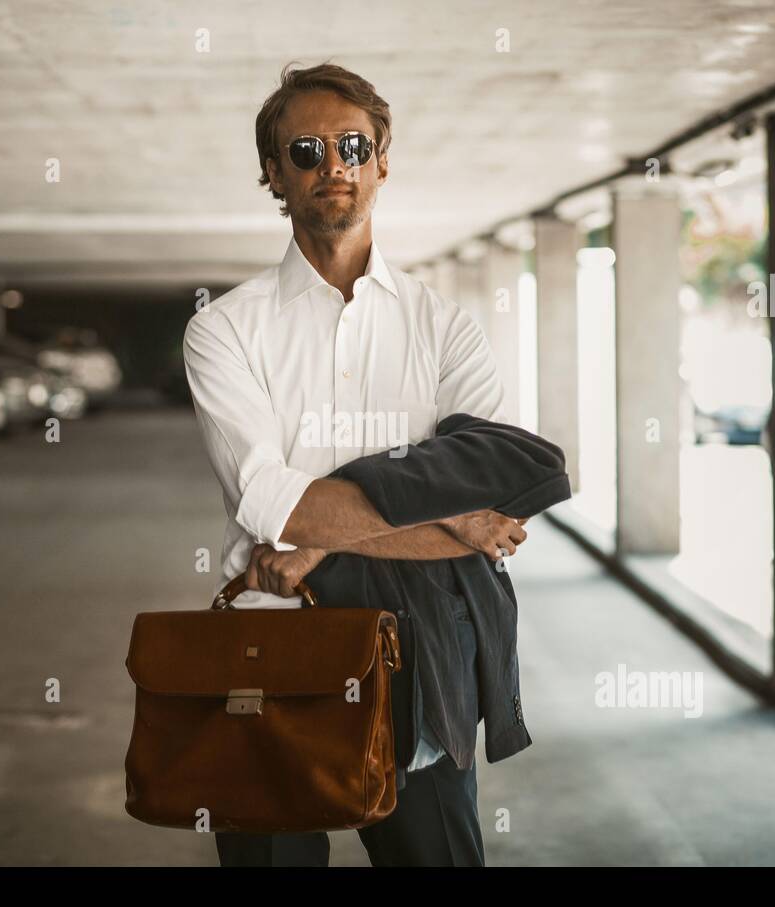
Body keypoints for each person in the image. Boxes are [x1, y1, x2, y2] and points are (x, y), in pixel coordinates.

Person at [182, 62, 566, 866]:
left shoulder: (445, 327)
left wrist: (324, 540)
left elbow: (494, 494)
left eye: (353, 146)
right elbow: (269, 501)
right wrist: (443, 514)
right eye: (307, 151)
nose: (334, 166)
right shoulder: (223, 332)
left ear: (382, 160)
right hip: (274, 657)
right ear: (274, 176)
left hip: (421, 659)